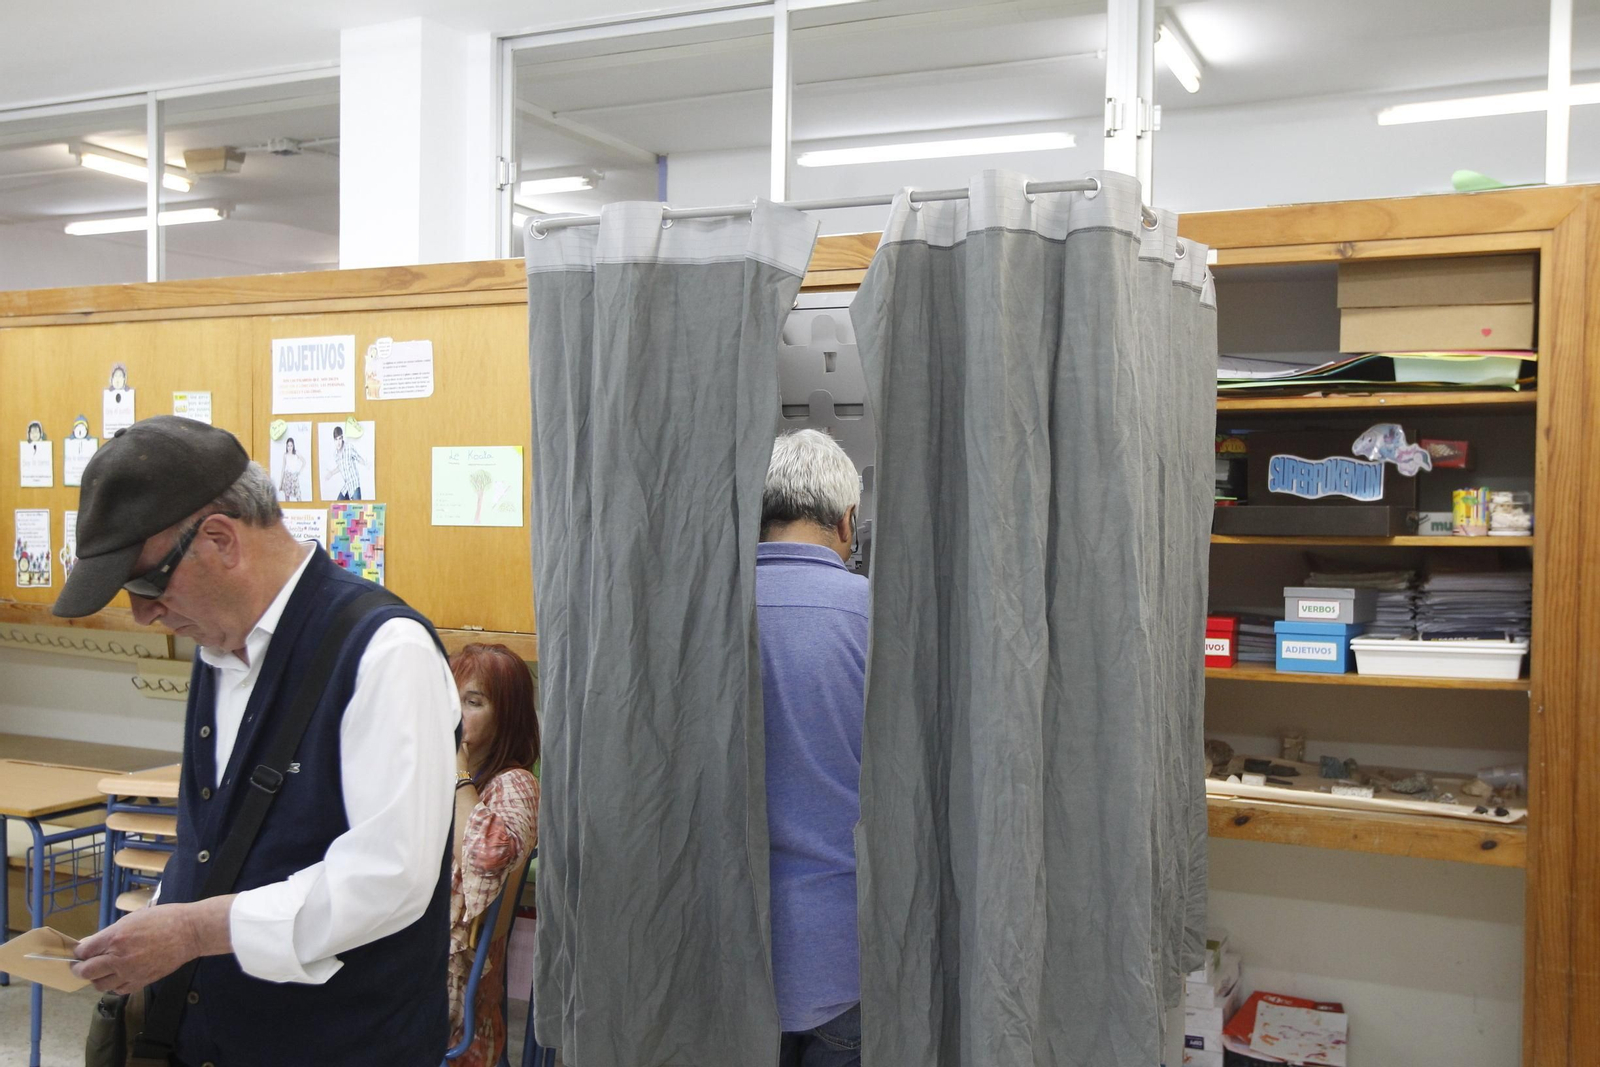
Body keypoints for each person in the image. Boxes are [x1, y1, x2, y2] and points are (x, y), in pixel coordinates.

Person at [58, 416, 459, 1067]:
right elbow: (218, 839)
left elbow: (389, 878)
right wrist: (152, 927)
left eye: (147, 584)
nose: (141, 614)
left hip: (341, 1045)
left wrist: (191, 930)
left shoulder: (386, 652)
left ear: (219, 540)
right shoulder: (217, 646)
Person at [756, 428, 868, 1067]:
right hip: (840, 956)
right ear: (847, 522)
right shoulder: (876, 617)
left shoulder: (703, 614)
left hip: (724, 953)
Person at [446, 643, 541, 1066]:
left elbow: (484, 859)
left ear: (507, 715)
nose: (455, 711)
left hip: (446, 994)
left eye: (473, 701)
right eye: (451, 697)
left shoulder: (515, 783)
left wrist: (457, 771)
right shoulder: (428, 774)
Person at [325, 423, 365, 500]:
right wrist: (332, 473)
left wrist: (366, 464)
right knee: (338, 505)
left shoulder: (348, 447)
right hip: (347, 485)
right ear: (334, 440)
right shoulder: (335, 454)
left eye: (340, 438)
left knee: (358, 508)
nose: (338, 442)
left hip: (354, 483)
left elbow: (358, 458)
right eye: (336, 439)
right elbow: (340, 467)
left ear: (342, 438)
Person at [278, 436, 304, 500]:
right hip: (287, 477)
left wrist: (299, 472)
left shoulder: (296, 453)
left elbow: (304, 462)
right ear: (286, 446)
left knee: (298, 496)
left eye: (291, 445)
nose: (289, 447)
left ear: (293, 446)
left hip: (294, 477)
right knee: (287, 497)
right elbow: (283, 469)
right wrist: (280, 483)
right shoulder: (285, 455)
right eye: (288, 446)